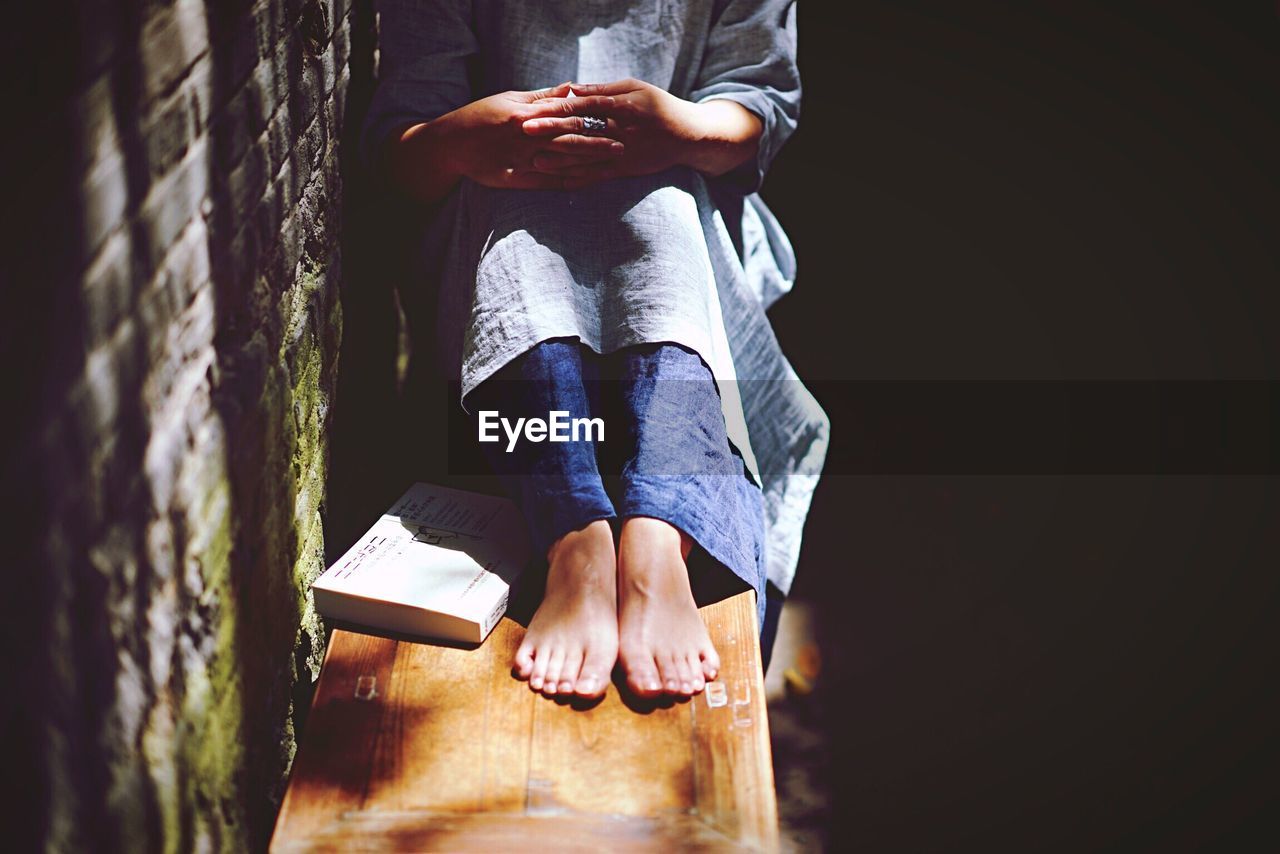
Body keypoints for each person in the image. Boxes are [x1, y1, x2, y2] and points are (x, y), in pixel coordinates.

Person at [362, 0, 829, 700]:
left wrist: (678, 132)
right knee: (519, 215)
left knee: (662, 200)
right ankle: (577, 538)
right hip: (493, 241)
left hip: (686, 231)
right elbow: (400, 151)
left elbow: (758, 106)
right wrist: (465, 142)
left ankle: (656, 539)